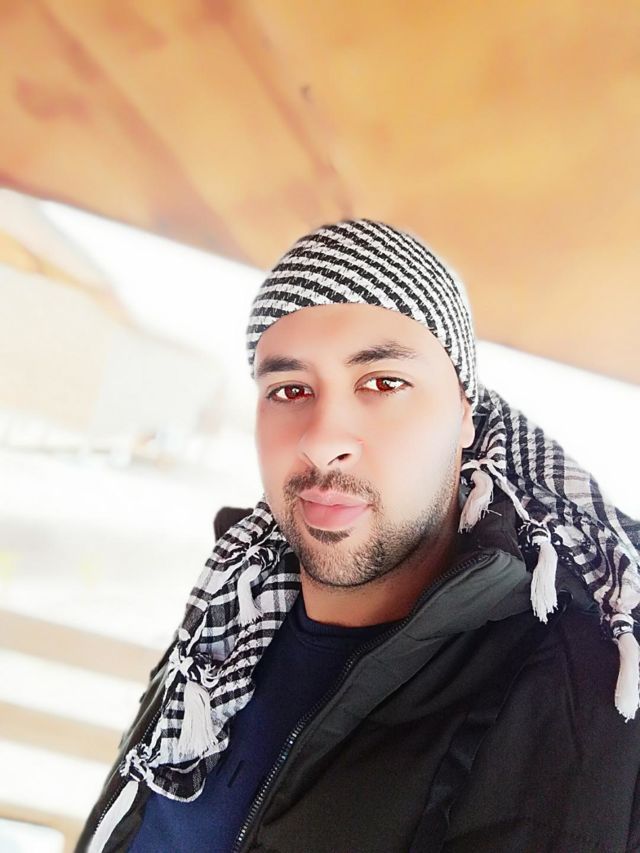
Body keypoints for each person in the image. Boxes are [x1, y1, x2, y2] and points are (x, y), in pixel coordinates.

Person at [77, 220, 640, 853]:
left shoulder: (586, 693)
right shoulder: (221, 624)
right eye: (290, 389)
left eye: (383, 383)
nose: (322, 439)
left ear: (463, 414)